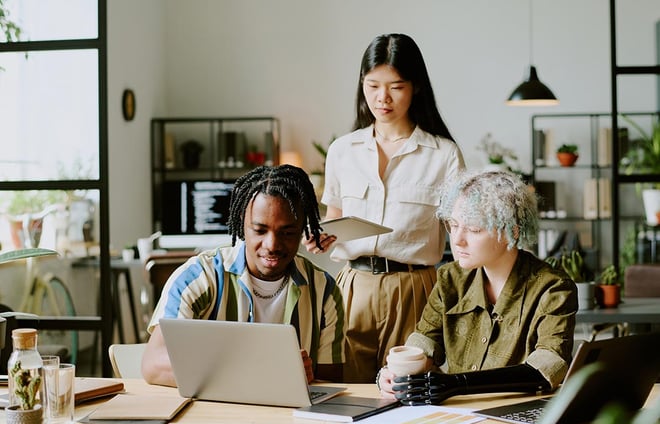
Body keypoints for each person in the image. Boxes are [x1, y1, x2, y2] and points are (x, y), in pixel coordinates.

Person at [303, 33, 465, 383]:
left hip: (415, 288)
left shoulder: (443, 154)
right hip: (352, 287)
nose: (382, 98)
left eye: (396, 86)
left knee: (408, 390)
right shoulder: (342, 151)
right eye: (372, 85)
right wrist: (320, 237)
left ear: (416, 87)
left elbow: (463, 231)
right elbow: (333, 218)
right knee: (345, 387)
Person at [377, 170, 577, 404]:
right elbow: (425, 342)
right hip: (456, 415)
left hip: (516, 415)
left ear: (511, 232)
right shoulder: (449, 278)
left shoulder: (553, 288)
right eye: (453, 225)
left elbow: (547, 367)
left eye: (474, 230)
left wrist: (456, 384)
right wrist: (391, 375)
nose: (458, 240)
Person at [142, 164, 346, 387]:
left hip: (289, 417)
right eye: (259, 230)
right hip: (213, 416)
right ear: (242, 222)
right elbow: (153, 365)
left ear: (303, 227)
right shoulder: (198, 278)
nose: (272, 245)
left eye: (287, 233)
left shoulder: (325, 291)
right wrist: (260, 373)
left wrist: (309, 376)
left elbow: (330, 382)